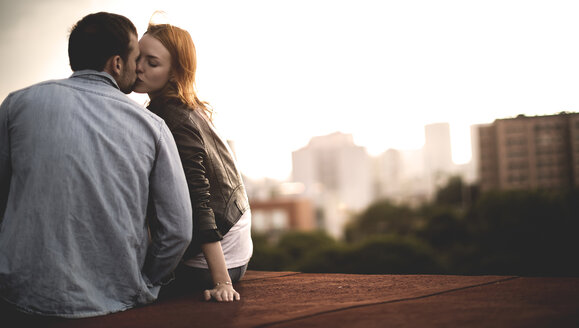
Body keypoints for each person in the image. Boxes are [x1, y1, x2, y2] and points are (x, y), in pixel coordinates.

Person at [0, 12, 192, 318]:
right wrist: (144, 282)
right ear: (117, 63)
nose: (137, 67)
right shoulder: (151, 127)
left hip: (19, 297)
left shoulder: (16, 104)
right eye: (134, 58)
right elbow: (178, 231)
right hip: (114, 303)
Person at [133, 22, 253, 302]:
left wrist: (222, 280)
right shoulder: (184, 106)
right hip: (232, 252)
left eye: (152, 63)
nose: (139, 67)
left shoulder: (173, 117)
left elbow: (199, 197)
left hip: (213, 264)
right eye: (138, 57)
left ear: (174, 72)